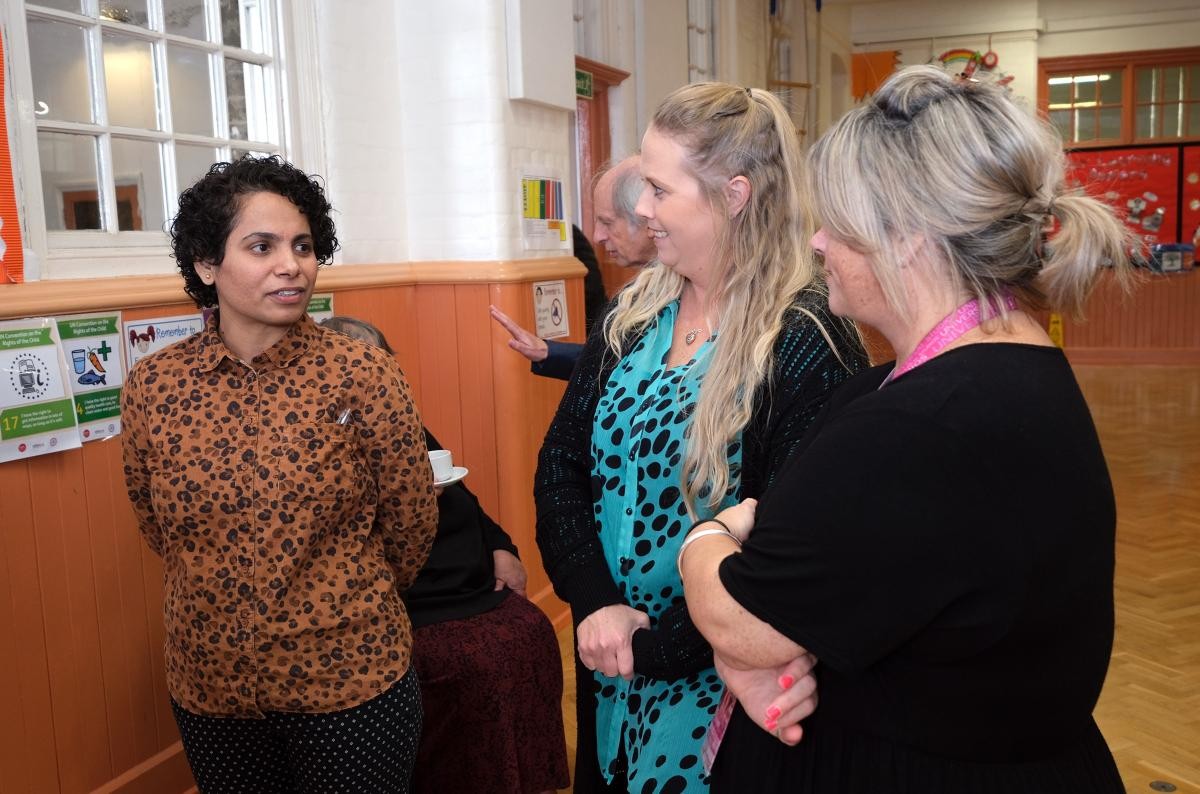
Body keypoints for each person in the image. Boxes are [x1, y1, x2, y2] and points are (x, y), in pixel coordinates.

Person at [678, 65, 1130, 793]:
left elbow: (745, 624)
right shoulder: (1001, 369)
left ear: (909, 238)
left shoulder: (922, 424)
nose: (818, 242)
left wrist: (707, 538)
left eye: (839, 224)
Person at [534, 83, 867, 792]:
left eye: (659, 189)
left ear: (733, 195)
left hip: (727, 687)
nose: (642, 209)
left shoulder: (805, 338)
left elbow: (791, 549)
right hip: (612, 663)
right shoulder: (631, 315)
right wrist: (595, 604)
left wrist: (654, 650)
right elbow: (561, 464)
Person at [121, 156, 438, 793]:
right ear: (207, 265)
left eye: (303, 246)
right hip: (211, 687)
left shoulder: (363, 373)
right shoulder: (156, 384)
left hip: (347, 678)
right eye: (261, 246)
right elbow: (156, 524)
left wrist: (336, 599)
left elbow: (410, 522)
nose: (291, 265)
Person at [319, 316, 570, 794]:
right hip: (415, 602)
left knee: (532, 631)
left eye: (382, 364)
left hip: (472, 583)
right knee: (478, 662)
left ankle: (529, 780)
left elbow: (467, 500)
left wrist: (502, 547)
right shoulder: (323, 448)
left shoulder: (403, 425)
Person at [491, 156, 659, 381]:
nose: (597, 236)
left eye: (607, 222)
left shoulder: (688, 288)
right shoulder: (642, 289)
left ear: (646, 218)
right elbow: (616, 363)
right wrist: (547, 351)